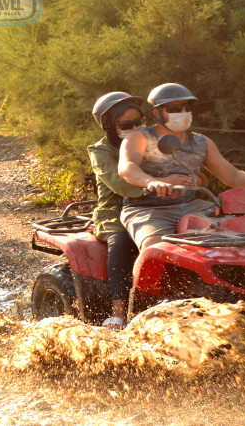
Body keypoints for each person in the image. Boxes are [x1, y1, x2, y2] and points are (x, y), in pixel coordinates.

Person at [118, 83, 245, 251]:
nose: (183, 113)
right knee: (155, 247)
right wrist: (152, 182)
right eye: (175, 108)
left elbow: (232, 176)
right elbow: (127, 167)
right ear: (157, 112)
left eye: (187, 107)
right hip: (149, 210)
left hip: (193, 207)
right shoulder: (139, 137)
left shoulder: (201, 142)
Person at [89, 92, 149, 331]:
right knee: (122, 240)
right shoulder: (100, 151)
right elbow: (120, 183)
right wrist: (158, 185)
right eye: (127, 125)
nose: (135, 129)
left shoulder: (153, 139)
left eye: (139, 122)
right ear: (110, 127)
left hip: (158, 206)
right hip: (115, 211)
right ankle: (118, 313)